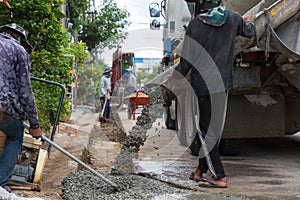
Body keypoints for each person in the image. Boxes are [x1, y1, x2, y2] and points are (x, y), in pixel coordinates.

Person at [173, 0, 256, 188]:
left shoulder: (195, 24)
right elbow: (250, 32)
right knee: (213, 131)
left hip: (203, 86)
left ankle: (219, 176)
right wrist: (249, 21)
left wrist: (173, 78)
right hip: (223, 84)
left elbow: (186, 62)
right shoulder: (233, 19)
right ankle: (200, 171)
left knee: (204, 131)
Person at [0, 23, 42, 191]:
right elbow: (25, 91)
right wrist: (35, 124)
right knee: (16, 135)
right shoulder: (19, 51)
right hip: (3, 105)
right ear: (20, 39)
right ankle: (1, 184)